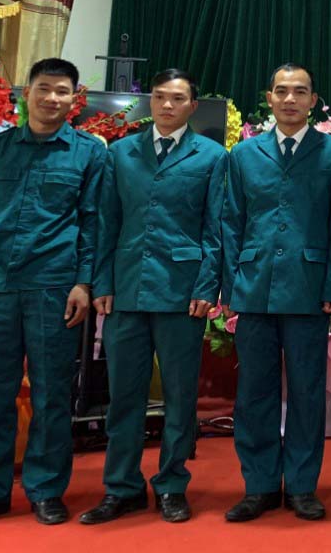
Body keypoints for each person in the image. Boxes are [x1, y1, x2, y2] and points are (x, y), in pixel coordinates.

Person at [0, 58, 106, 530]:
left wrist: (83, 282)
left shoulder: (88, 154)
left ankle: (46, 489)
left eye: (62, 91)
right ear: (26, 93)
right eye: (44, 88)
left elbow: (93, 223)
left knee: (53, 394)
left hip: (54, 287)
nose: (52, 98)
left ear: (74, 100)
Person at [80, 69, 227, 524]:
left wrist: (207, 286)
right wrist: (102, 283)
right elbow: (105, 221)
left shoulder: (212, 156)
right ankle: (121, 486)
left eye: (177, 98)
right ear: (151, 102)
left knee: (180, 397)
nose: (167, 105)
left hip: (182, 292)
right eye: (160, 97)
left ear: (193, 105)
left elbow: (216, 228)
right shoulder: (121, 152)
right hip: (126, 288)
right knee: (123, 395)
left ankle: (171, 484)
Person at [221, 63, 331, 522]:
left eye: (300, 92)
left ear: (314, 100)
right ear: (269, 98)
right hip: (254, 286)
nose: (290, 99)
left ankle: (300, 485)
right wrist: (230, 286)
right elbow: (231, 221)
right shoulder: (244, 154)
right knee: (253, 393)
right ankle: (258, 485)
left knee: (307, 391)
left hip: (309, 288)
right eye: (282, 91)